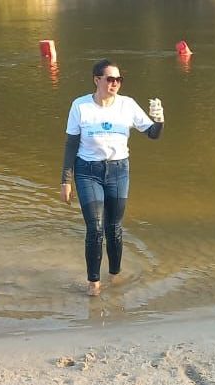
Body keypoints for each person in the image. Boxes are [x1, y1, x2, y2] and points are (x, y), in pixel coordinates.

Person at [60, 59, 164, 296]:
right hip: (88, 171)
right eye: (110, 79)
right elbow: (70, 145)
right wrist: (66, 180)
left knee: (113, 227)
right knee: (95, 229)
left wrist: (159, 120)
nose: (115, 83)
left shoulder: (127, 105)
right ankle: (93, 282)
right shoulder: (81, 106)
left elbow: (153, 135)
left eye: (118, 80)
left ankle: (115, 276)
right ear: (97, 80)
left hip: (118, 171)